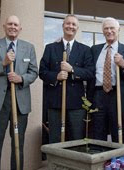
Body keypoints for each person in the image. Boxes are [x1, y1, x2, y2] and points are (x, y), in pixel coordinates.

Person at [0, 15, 38, 170]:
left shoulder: (28, 47)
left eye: (16, 24)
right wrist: (3, 64)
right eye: (10, 24)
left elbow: (34, 72)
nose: (13, 27)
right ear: (4, 27)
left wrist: (21, 78)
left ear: (20, 28)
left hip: (20, 102)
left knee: (18, 144)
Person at [39, 15, 94, 143]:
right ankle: (55, 164)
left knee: (76, 139)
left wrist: (73, 70)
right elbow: (42, 72)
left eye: (74, 24)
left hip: (76, 103)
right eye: (68, 24)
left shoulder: (85, 50)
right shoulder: (50, 48)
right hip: (55, 102)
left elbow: (90, 73)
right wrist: (56, 76)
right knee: (55, 139)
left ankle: (75, 164)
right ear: (63, 26)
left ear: (77, 28)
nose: (70, 26)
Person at [88, 17, 124, 143]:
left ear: (118, 30)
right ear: (102, 31)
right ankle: (100, 161)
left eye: (112, 28)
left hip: (118, 96)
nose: (109, 31)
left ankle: (118, 162)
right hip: (98, 95)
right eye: (106, 28)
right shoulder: (94, 50)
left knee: (119, 134)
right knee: (98, 133)